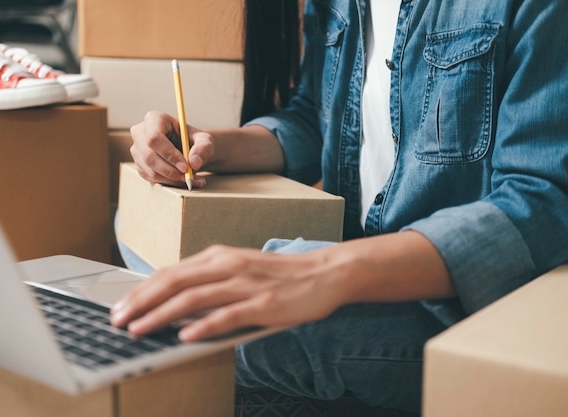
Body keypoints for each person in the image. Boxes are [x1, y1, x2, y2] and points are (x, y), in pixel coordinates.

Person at [111, 0, 568, 415]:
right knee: (143, 237)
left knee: (217, 331)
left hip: (459, 307)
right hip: (358, 258)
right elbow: (315, 117)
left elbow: (541, 204)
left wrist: (323, 270)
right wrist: (199, 147)